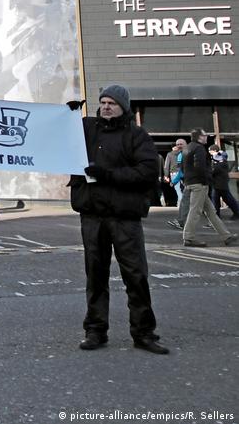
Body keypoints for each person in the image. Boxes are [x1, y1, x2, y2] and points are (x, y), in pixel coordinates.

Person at [69, 85, 169, 354]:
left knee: (135, 276)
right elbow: (58, 132)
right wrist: (66, 114)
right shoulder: (87, 128)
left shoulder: (137, 136)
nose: (106, 106)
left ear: (123, 106)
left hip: (124, 216)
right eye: (102, 102)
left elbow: (147, 171)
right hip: (92, 215)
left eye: (112, 102)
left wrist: (108, 175)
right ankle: (95, 330)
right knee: (96, 275)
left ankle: (144, 333)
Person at [181, 128, 236, 247]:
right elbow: (200, 167)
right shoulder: (199, 148)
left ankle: (226, 236)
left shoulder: (187, 147)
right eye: (205, 135)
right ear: (199, 137)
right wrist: (207, 179)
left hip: (191, 182)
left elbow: (183, 167)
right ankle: (189, 237)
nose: (207, 137)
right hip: (199, 184)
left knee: (211, 211)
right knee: (195, 211)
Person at [209, 145, 239, 220]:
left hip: (219, 183)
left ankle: (216, 217)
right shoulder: (218, 159)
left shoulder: (220, 158)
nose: (209, 152)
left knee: (217, 200)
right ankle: (236, 213)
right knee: (226, 199)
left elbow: (215, 170)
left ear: (214, 151)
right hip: (220, 183)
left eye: (210, 150)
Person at [163, 139, 186, 207]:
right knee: (184, 188)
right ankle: (182, 203)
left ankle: (181, 203)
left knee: (177, 189)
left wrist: (166, 175)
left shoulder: (169, 154)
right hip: (183, 172)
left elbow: (166, 166)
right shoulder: (182, 153)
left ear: (172, 147)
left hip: (174, 173)